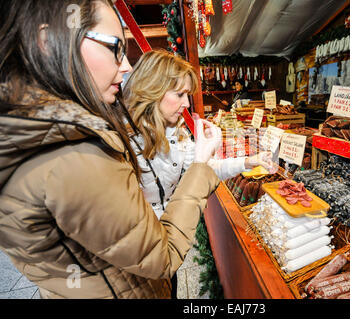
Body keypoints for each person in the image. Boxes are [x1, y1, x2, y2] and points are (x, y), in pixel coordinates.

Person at [0, 0, 222, 299]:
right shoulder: (73, 153)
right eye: (116, 48)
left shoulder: (44, 133)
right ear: (48, 42)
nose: (127, 64)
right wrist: (201, 165)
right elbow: (161, 257)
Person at [123, 50, 275, 297]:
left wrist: (248, 161)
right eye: (180, 94)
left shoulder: (174, 130)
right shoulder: (123, 143)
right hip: (140, 261)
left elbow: (204, 170)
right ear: (152, 90)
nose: (186, 103)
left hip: (167, 248)